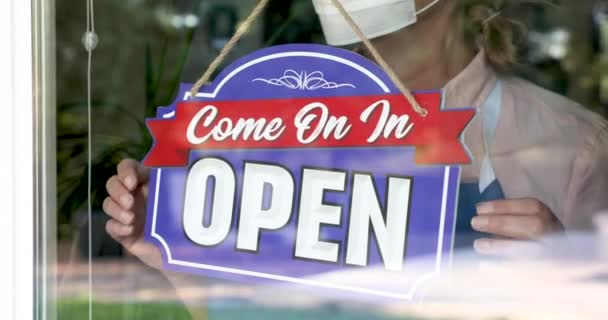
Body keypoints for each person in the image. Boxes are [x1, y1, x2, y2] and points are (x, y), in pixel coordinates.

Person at [103, 0, 608, 268]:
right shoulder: (282, 130)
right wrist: (164, 235)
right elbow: (246, 301)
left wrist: (562, 276)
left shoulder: (574, 145)